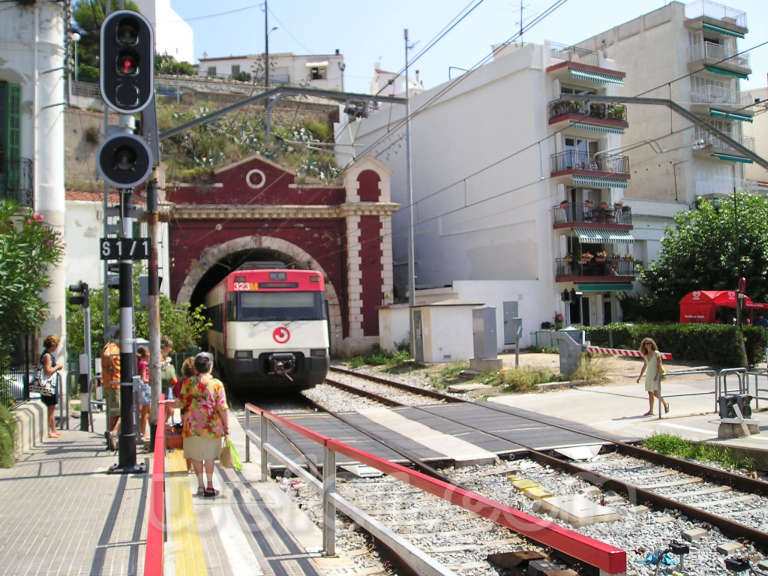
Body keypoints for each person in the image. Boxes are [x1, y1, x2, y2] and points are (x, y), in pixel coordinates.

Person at [177, 353, 229, 497]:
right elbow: (222, 407)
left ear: (195, 367)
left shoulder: (187, 383)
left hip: (191, 426)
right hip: (211, 427)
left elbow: (181, 403)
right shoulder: (217, 384)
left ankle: (200, 486)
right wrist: (226, 426)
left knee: (196, 456)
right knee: (209, 457)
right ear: (210, 366)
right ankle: (210, 486)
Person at [636, 337, 669, 416]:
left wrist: (657, 375)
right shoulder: (645, 355)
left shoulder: (656, 353)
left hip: (655, 375)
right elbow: (644, 366)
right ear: (644, 345)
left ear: (652, 344)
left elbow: (659, 365)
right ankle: (651, 411)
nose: (648, 345)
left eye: (649, 343)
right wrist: (639, 377)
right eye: (646, 344)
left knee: (655, 393)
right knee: (650, 393)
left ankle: (665, 404)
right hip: (649, 376)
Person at [40, 335, 64, 439]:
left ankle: (53, 430)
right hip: (48, 386)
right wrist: (57, 367)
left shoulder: (47, 355)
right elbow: (48, 371)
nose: (57, 347)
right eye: (56, 345)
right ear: (53, 345)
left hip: (50, 385)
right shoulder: (47, 356)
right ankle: (50, 431)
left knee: (52, 408)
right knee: (50, 408)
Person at [101, 340, 121, 450]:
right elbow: (107, 355)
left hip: (111, 384)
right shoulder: (113, 346)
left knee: (114, 413)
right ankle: (114, 432)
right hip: (114, 384)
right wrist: (112, 365)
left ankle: (111, 437)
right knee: (124, 412)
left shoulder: (112, 346)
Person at [160, 336, 178, 422]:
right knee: (167, 409)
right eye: (169, 347)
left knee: (170, 410)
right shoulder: (158, 355)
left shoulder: (165, 356)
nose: (170, 349)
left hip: (168, 386)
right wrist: (166, 362)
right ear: (164, 346)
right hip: (162, 386)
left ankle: (163, 423)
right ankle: (162, 425)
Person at [137, 346, 151, 441]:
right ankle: (143, 432)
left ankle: (144, 431)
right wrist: (152, 380)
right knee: (145, 412)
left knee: (148, 411)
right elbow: (143, 379)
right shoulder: (143, 364)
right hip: (145, 388)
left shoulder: (139, 363)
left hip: (143, 388)